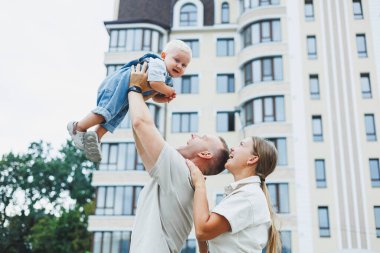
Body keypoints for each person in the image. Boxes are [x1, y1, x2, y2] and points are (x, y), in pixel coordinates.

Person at [126, 62, 230, 253]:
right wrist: (143, 94)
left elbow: (142, 123)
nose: (193, 135)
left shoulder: (182, 172)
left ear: (205, 154)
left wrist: (135, 87)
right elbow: (139, 130)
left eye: (202, 137)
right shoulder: (179, 178)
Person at [67, 40, 192, 162]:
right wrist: (167, 90)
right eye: (176, 60)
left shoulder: (167, 80)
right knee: (107, 111)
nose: (179, 66)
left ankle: (95, 138)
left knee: (114, 118)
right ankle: (78, 127)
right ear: (164, 56)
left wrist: (162, 97)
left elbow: (153, 96)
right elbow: (155, 83)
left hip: (128, 93)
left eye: (184, 65)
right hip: (117, 85)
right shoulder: (159, 64)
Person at [186, 136, 281, 253]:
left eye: (241, 145)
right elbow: (204, 235)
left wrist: (200, 185)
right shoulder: (243, 194)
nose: (232, 149)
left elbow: (203, 231)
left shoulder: (249, 196)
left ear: (252, 159)